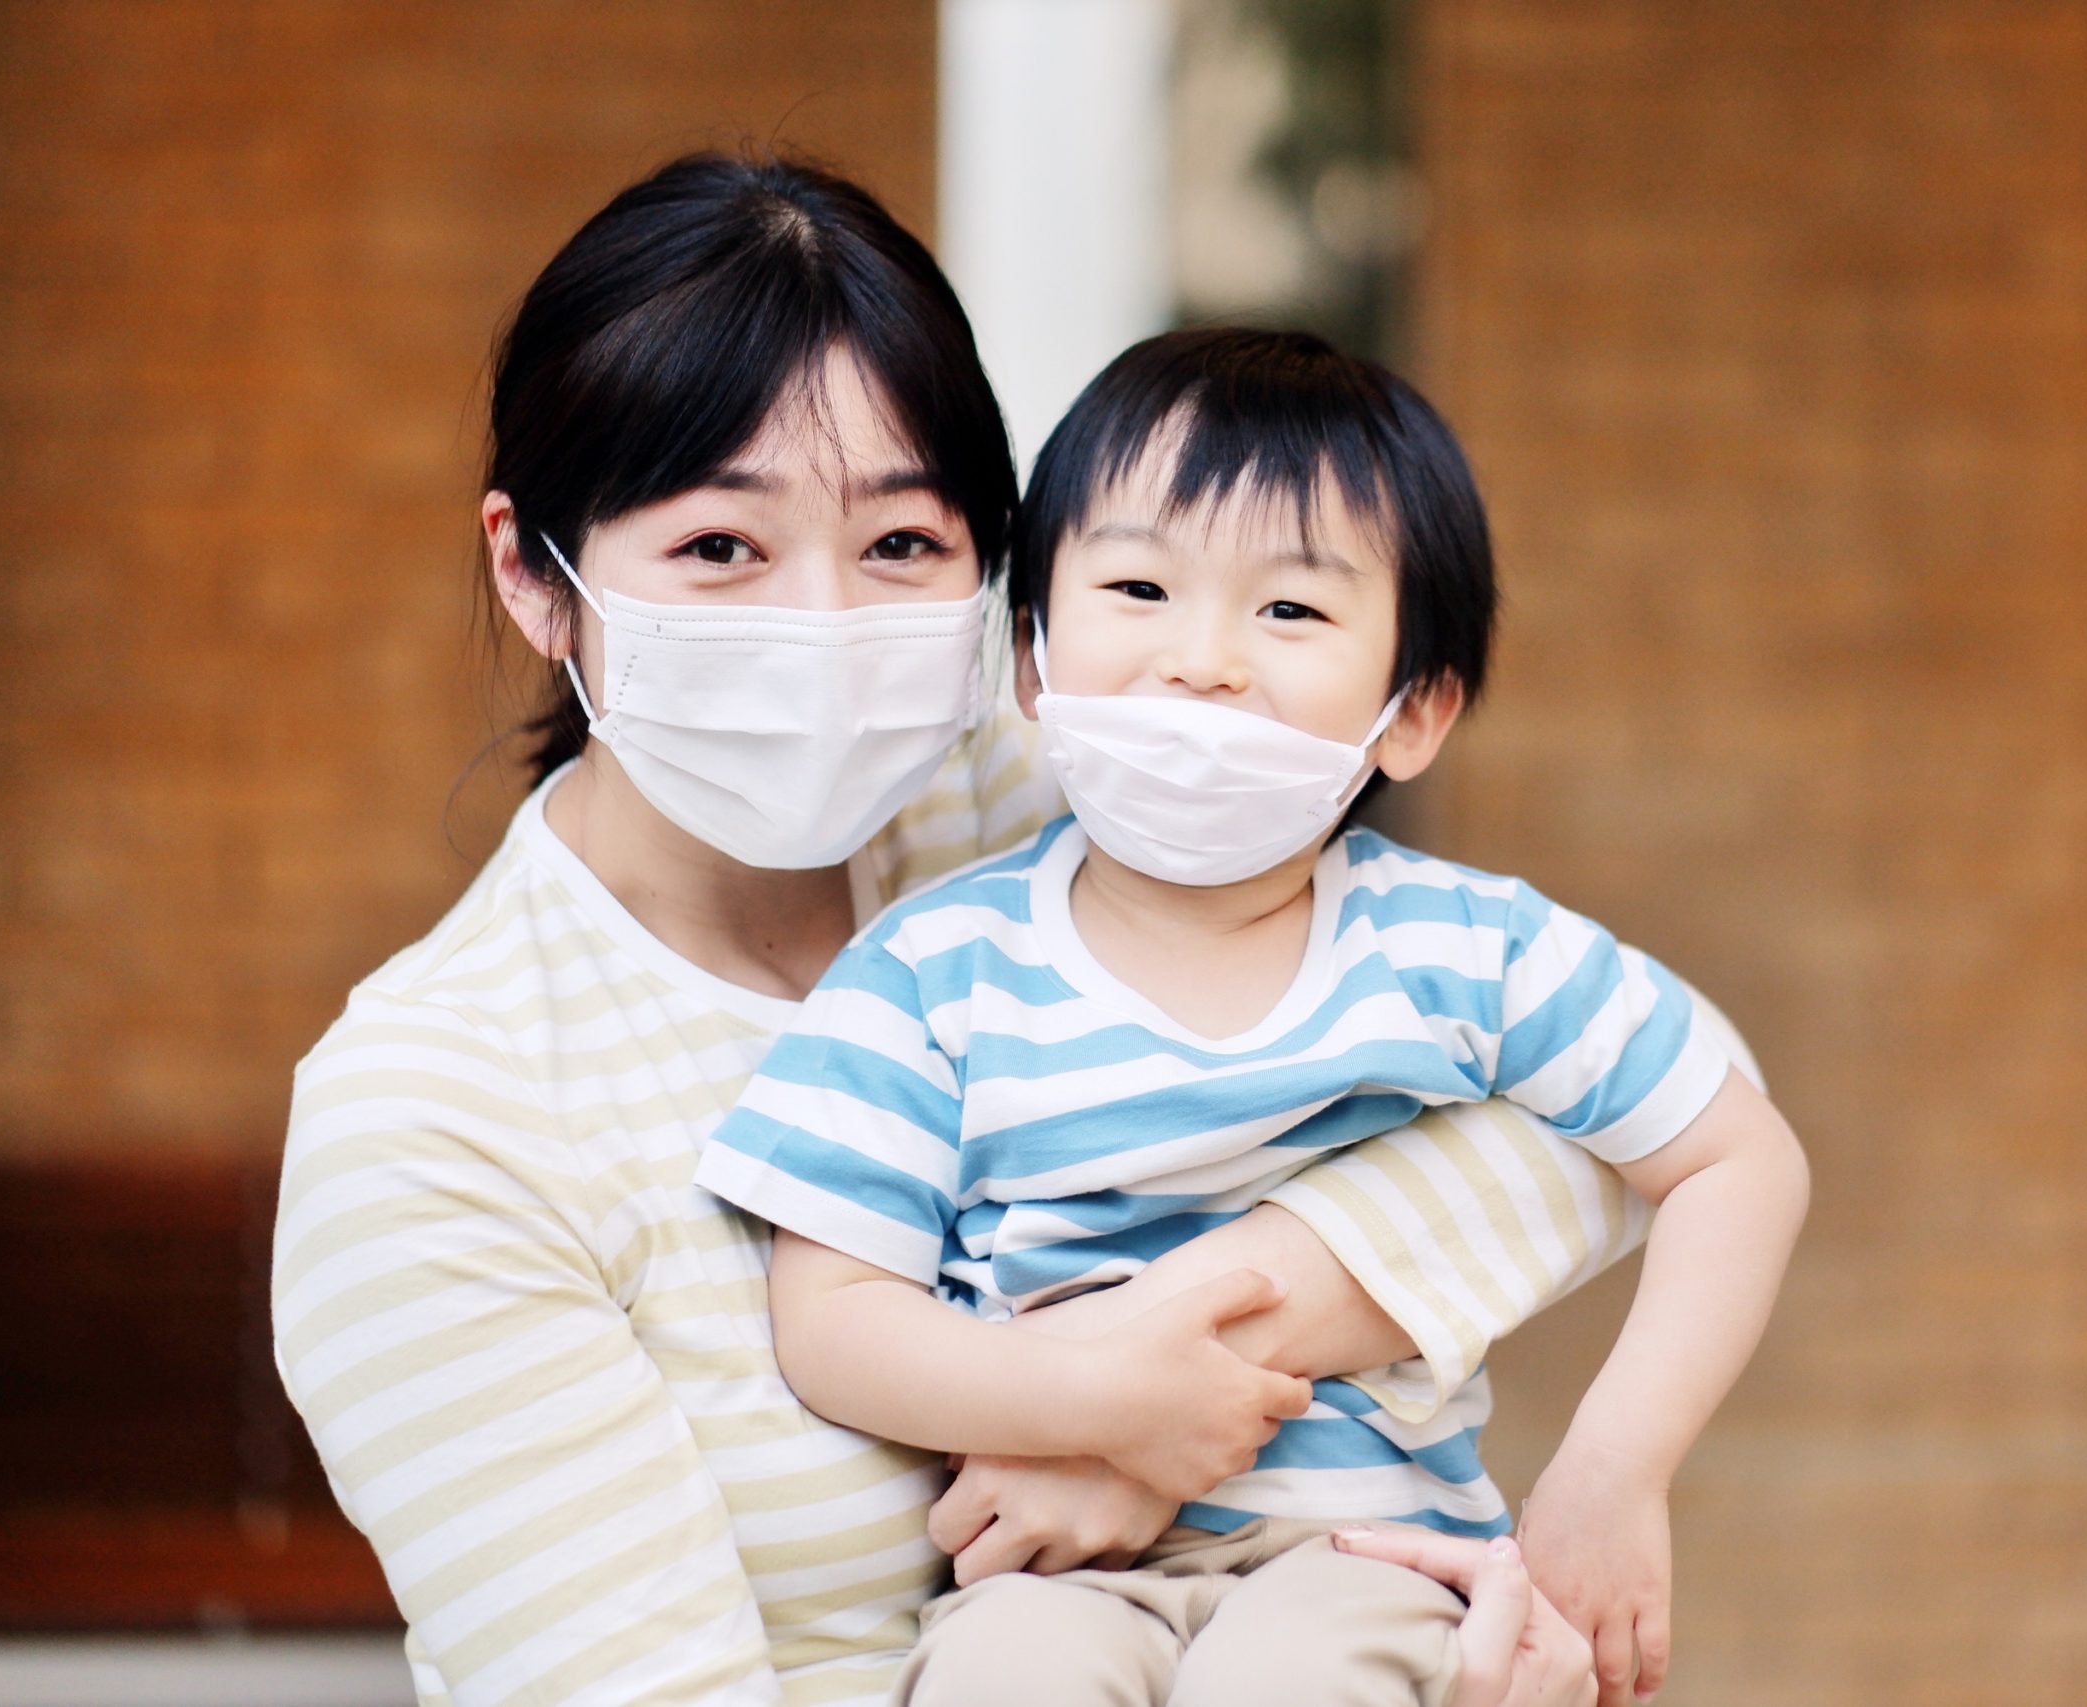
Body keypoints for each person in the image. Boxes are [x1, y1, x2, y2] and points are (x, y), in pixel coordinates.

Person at [272, 151, 1724, 1707]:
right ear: (534, 574)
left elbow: (1595, 1116)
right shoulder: (433, 1117)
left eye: (901, 542)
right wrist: (1113, 1408)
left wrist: (1154, 1375)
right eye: (719, 548)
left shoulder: (1045, 808)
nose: (824, 623)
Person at [695, 329, 1811, 1707]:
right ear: (1031, 659)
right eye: (1139, 587)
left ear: (1414, 710)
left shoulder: (1468, 951)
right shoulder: (933, 971)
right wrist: (1103, 1404)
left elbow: (1738, 1158)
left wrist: (1612, 1471)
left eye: (1289, 610)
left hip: (1368, 1561)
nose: (1203, 661)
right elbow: (832, 1321)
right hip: (1048, 1581)